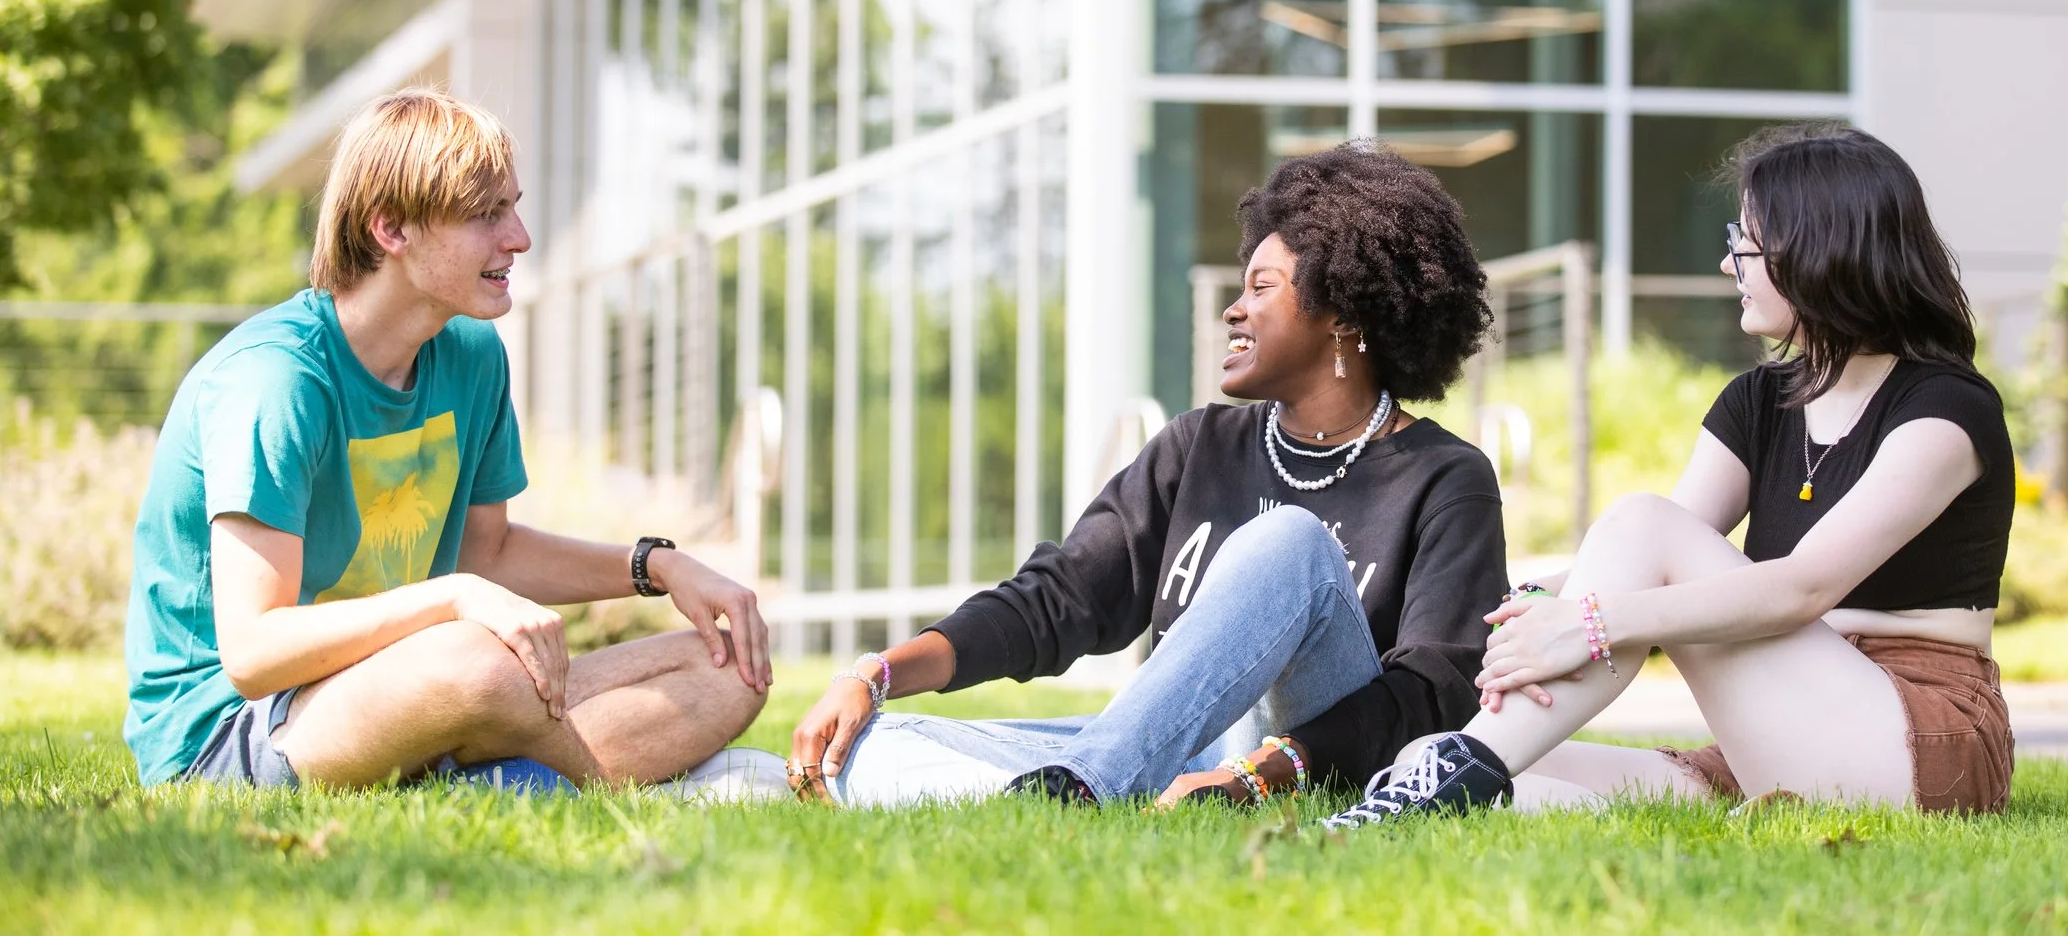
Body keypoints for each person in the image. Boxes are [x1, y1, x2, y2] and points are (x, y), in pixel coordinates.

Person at [1327, 123, 2015, 826]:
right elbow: (1634, 561)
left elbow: (1802, 586)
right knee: (1429, 750)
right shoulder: (1760, 403)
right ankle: (1448, 778)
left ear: (1814, 249)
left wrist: (1591, 626)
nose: (1728, 267)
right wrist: (1524, 602)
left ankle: (1455, 778)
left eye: (1740, 245)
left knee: (1642, 519)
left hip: (1917, 736)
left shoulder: (1945, 409)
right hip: (1780, 733)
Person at [786, 143, 1509, 808]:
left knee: (1291, 541)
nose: (1235, 308)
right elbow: (1057, 598)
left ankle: (1082, 787)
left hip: (1306, 762)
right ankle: (1086, 784)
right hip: (1161, 752)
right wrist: (874, 674)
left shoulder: (1446, 477)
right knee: (878, 740)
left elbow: (1430, 696)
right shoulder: (1197, 446)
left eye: (1261, 287)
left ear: (1344, 314)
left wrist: (1254, 775)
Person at [124, 88, 777, 794]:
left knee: (733, 665)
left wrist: (658, 564)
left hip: (411, 679)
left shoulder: (470, 354)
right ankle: (552, 772)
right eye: (485, 213)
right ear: (391, 229)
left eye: (514, 205)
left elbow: (487, 551)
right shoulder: (275, 380)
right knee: (476, 659)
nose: (520, 237)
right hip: (233, 732)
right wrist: (454, 599)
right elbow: (254, 651)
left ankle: (494, 766)